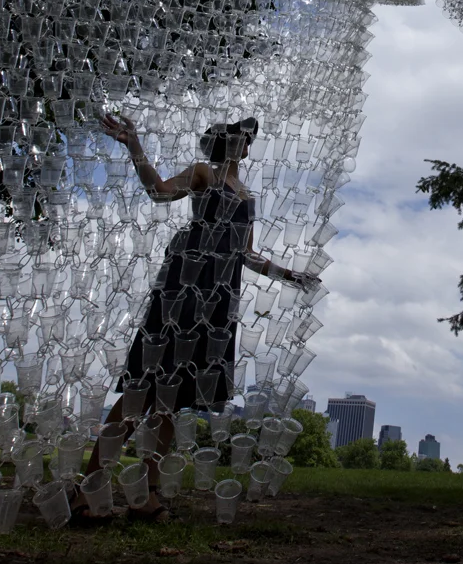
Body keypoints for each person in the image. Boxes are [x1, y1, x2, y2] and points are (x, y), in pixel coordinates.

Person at [74, 112, 298, 520]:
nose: (246, 142)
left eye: (248, 138)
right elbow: (158, 192)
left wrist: (290, 276)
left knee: (174, 398)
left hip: (219, 297)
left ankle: (146, 494)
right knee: (143, 387)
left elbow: (245, 254)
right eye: (240, 135)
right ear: (224, 142)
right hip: (184, 288)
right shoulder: (203, 175)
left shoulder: (247, 198)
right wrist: (134, 144)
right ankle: (88, 488)